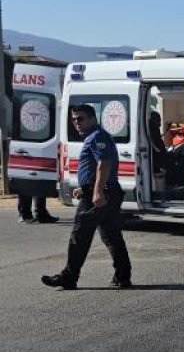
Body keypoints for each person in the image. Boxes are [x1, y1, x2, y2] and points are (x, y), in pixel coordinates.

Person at [41, 104, 132, 290]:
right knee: (112, 236)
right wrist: (85, 188)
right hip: (105, 191)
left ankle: (69, 277)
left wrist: (96, 192)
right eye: (74, 119)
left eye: (80, 118)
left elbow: (103, 165)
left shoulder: (97, 136)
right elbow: (96, 168)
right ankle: (123, 276)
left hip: (101, 194)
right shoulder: (95, 136)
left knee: (80, 235)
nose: (77, 123)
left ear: (92, 118)